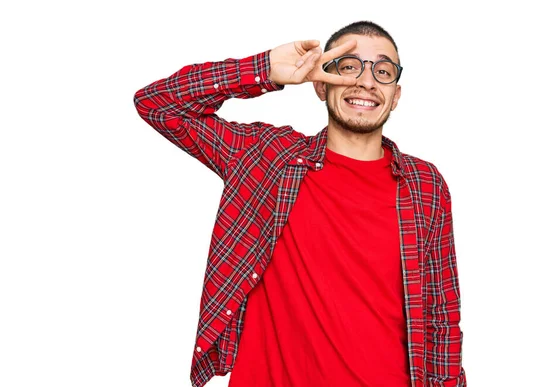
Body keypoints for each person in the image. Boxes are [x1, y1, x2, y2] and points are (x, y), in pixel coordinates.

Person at [134, 20, 466, 387]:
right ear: (321, 85)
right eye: (349, 66)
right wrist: (265, 71)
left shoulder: (424, 185)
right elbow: (159, 105)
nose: (366, 82)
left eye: (383, 71)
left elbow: (441, 318)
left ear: (396, 95)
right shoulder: (267, 158)